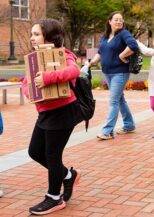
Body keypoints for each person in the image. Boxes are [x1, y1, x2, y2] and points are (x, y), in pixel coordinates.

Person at [22, 19, 83, 214]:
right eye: (32, 34)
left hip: (63, 111)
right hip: (45, 112)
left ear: (50, 36)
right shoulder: (35, 58)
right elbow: (27, 82)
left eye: (37, 34)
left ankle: (54, 198)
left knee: (52, 155)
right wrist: (29, 90)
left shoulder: (63, 54)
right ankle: (67, 175)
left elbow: (74, 71)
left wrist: (47, 78)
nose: (32, 38)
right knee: (34, 151)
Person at [89, 12, 139, 140]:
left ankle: (107, 131)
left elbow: (133, 45)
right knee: (120, 99)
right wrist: (92, 62)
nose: (119, 22)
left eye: (121, 20)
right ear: (109, 21)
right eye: (116, 20)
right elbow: (100, 52)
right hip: (108, 73)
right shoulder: (105, 37)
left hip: (120, 73)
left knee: (113, 101)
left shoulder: (124, 34)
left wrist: (122, 55)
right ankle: (129, 125)